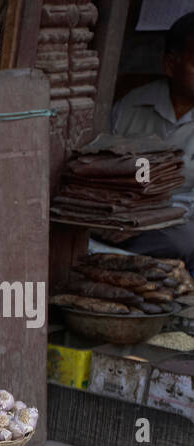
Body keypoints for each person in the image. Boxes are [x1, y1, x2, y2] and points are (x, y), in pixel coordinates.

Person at [110, 12, 194, 267]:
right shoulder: (132, 105)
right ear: (170, 64)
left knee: (184, 241)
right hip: (123, 218)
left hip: (179, 223)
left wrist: (150, 218)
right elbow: (104, 170)